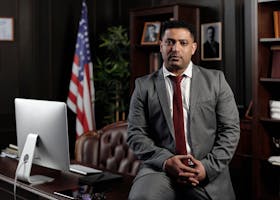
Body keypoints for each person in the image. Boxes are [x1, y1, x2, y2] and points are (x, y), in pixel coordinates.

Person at [127, 20, 240, 200]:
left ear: (193, 47)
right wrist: (166, 161)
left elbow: (230, 131)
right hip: (160, 170)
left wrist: (207, 167)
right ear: (161, 46)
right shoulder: (143, 86)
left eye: (183, 43)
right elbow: (135, 134)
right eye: (170, 42)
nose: (176, 48)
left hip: (205, 169)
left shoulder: (216, 81)